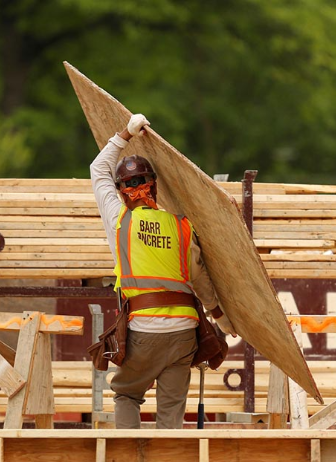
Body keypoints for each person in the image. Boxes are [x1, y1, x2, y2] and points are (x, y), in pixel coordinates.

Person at [90, 113, 237, 429]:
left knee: (127, 395)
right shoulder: (181, 226)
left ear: (122, 191)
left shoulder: (119, 221)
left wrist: (125, 134)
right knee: (171, 413)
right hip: (184, 332)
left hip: (144, 330)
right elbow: (200, 279)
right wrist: (221, 316)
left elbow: (97, 169)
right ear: (154, 186)